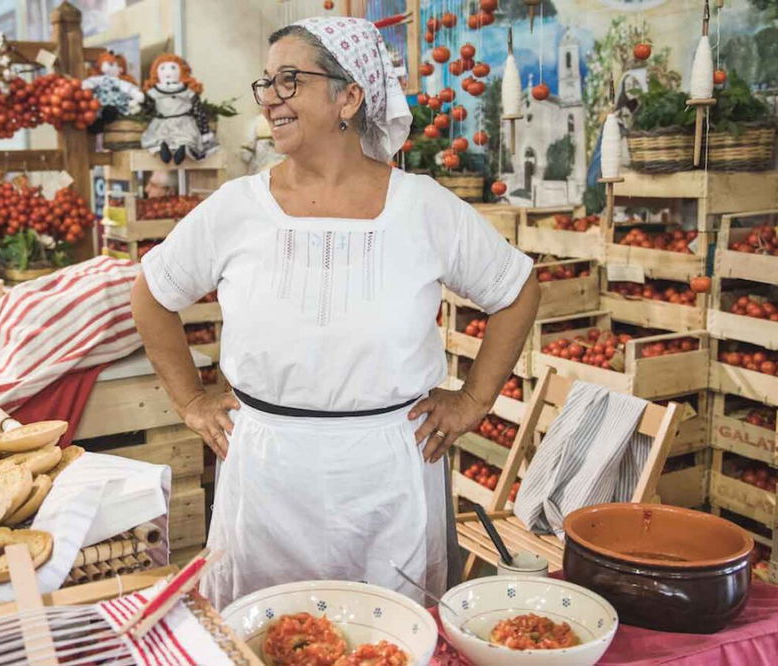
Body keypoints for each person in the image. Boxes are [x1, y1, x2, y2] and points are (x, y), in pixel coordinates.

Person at [131, 16, 540, 611]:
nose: (271, 96)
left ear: (349, 95)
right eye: (266, 82)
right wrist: (190, 401)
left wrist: (474, 401)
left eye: (290, 79)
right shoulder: (238, 208)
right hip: (269, 470)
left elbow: (516, 289)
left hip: (390, 473)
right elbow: (152, 293)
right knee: (264, 634)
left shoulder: (421, 206)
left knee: (392, 633)